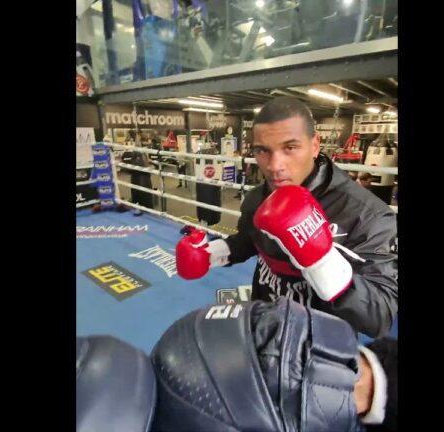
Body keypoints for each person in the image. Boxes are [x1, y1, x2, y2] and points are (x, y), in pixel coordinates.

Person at [175, 96, 398, 338]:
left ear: (315, 145)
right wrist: (211, 254)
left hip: (321, 345)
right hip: (265, 320)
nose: (274, 166)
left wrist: (321, 260)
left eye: (290, 147)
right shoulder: (259, 197)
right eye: (263, 151)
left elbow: (379, 315)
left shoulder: (367, 214)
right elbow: (251, 240)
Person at [150, 298, 397, 431]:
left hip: (310, 346)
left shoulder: (367, 217)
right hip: (281, 327)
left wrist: (361, 384)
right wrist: (224, 250)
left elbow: (379, 309)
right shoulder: (259, 202)